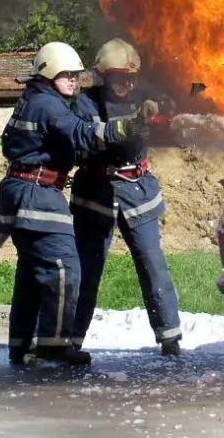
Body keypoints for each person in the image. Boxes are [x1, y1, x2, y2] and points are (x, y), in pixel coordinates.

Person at [0, 41, 149, 366]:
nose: (75, 81)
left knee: (31, 273)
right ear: (49, 73)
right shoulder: (50, 106)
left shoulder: (33, 100)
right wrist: (131, 126)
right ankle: (54, 345)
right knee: (65, 268)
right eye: (67, 75)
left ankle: (21, 346)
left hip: (23, 191)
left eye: (77, 75)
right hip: (37, 194)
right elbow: (83, 134)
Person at [69, 38, 183, 357]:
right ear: (104, 77)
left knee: (153, 264)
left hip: (138, 190)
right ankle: (71, 341)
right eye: (121, 77)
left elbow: (172, 104)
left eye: (131, 77)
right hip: (96, 194)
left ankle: (170, 337)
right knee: (87, 270)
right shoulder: (85, 103)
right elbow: (90, 138)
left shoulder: (143, 93)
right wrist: (131, 126)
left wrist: (160, 107)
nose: (127, 83)